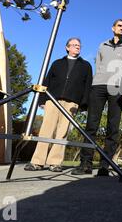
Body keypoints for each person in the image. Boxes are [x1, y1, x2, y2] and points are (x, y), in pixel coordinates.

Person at [25, 38, 92, 172]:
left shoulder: (86, 65)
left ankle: (55, 163)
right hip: (52, 99)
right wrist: (42, 100)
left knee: (62, 133)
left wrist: (84, 105)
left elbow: (87, 86)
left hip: (72, 102)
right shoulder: (57, 63)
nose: (77, 47)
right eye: (74, 45)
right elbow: (47, 80)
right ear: (67, 47)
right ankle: (37, 162)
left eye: (79, 45)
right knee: (46, 130)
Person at [72, 20, 122, 176]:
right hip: (99, 85)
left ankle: (105, 164)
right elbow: (99, 64)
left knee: (113, 127)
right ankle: (85, 164)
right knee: (91, 124)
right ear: (113, 28)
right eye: (120, 26)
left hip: (117, 87)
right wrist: (98, 80)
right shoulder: (102, 45)